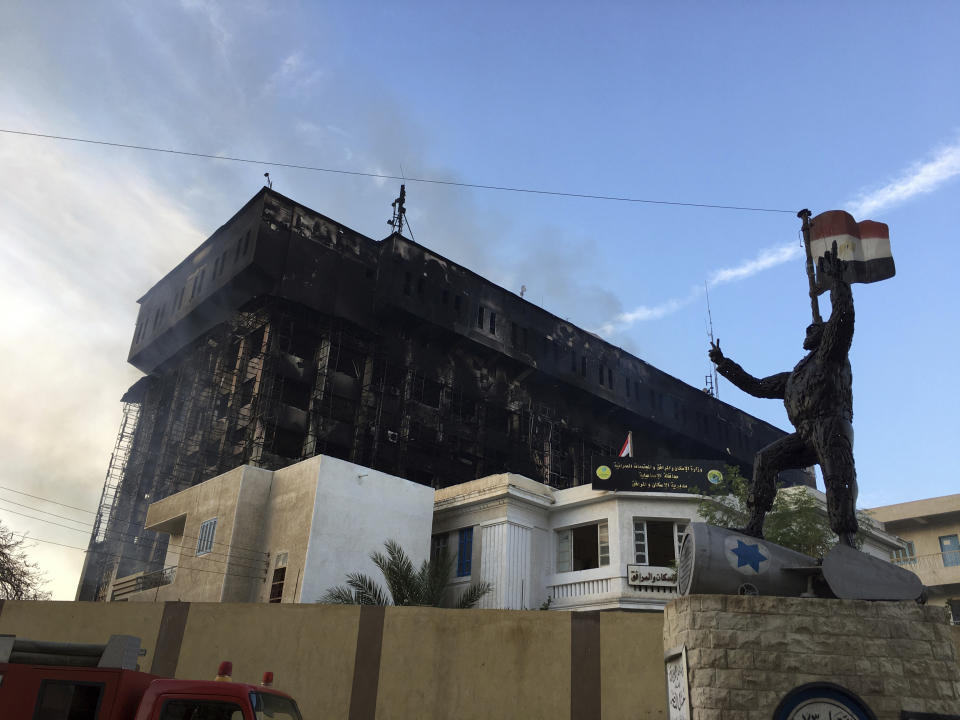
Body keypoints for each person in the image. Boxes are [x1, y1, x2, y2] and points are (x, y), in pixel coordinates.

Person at [709, 242, 858, 547]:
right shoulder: (794, 377)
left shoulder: (832, 355)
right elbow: (757, 386)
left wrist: (837, 283)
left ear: (824, 334)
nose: (807, 331)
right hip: (805, 434)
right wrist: (725, 364)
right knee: (765, 459)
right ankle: (755, 525)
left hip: (830, 426)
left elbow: (843, 315)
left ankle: (845, 539)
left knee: (836, 475)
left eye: (814, 328)